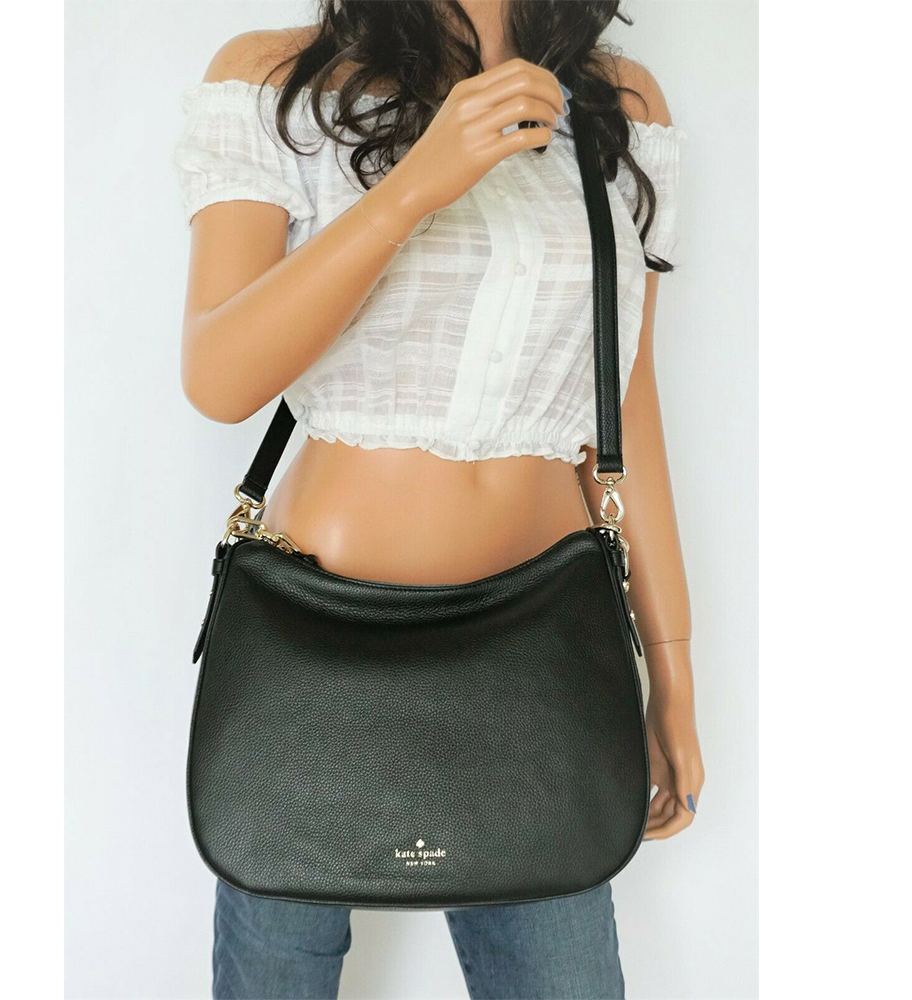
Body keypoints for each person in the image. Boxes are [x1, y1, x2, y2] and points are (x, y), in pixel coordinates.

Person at [175, 2, 703, 997]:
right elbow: (218, 378)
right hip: (309, 650)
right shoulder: (279, 81)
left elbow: (625, 402)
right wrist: (414, 188)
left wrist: (671, 666)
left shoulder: (615, 105)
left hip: (541, 656)